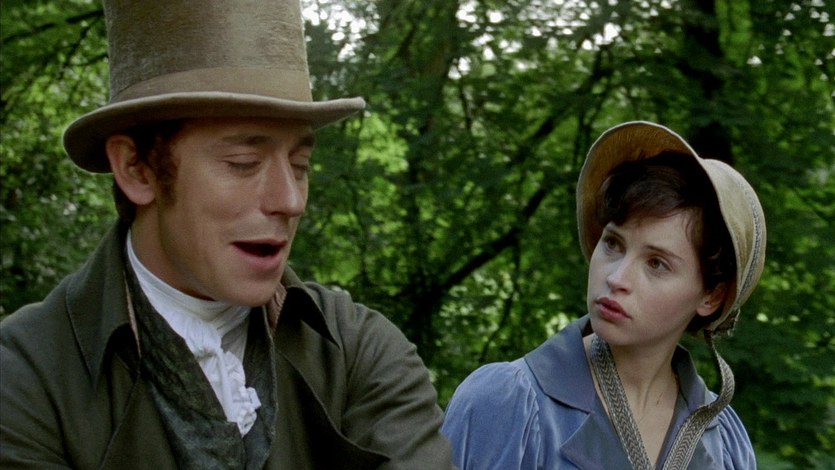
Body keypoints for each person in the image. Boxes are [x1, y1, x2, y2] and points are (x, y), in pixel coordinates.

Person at [0, 1, 454, 468]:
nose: (290, 200)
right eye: (243, 163)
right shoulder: (25, 377)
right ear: (136, 168)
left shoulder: (357, 354)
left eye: (300, 165)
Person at [441, 121, 766, 469]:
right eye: (613, 244)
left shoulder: (726, 443)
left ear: (711, 296)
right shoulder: (505, 404)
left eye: (656, 263)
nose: (617, 278)